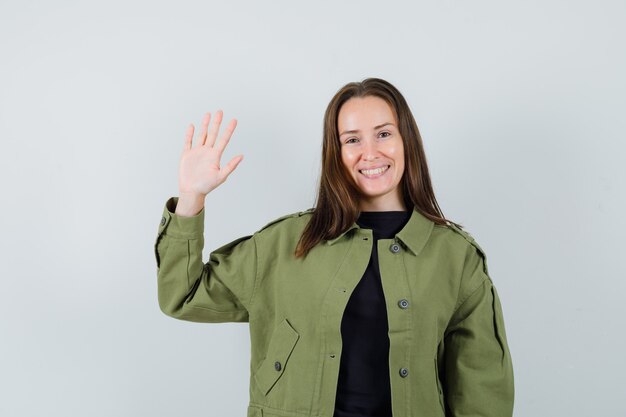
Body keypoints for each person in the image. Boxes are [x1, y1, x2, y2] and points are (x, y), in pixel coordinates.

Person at [155, 77, 515, 417]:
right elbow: (183, 296)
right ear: (335, 152)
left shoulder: (456, 257)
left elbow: (482, 388)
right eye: (352, 140)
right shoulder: (285, 243)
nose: (370, 153)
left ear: (407, 141)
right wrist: (191, 198)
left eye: (384, 134)